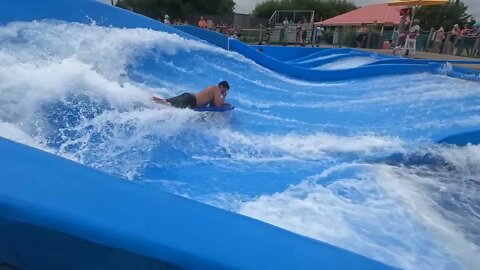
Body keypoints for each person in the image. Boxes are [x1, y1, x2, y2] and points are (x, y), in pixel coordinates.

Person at [152, 81, 230, 109]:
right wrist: (223, 97)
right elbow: (218, 105)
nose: (224, 91)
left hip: (188, 97)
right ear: (222, 86)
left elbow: (213, 105)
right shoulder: (217, 89)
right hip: (191, 101)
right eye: (225, 90)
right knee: (166, 105)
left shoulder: (212, 88)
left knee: (164, 102)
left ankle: (149, 98)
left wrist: (224, 103)